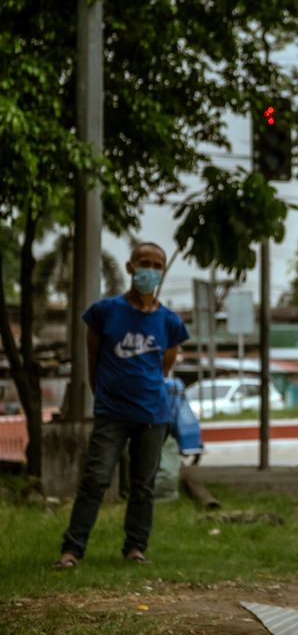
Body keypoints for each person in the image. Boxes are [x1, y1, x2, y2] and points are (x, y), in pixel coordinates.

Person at [54, 241, 189, 568]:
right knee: (96, 479)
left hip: (153, 416)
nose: (150, 270)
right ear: (130, 268)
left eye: (157, 265)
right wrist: (102, 394)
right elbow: (92, 357)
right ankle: (72, 550)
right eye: (144, 263)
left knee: (143, 486)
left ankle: (135, 548)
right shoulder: (104, 312)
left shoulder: (169, 322)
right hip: (111, 414)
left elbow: (164, 368)